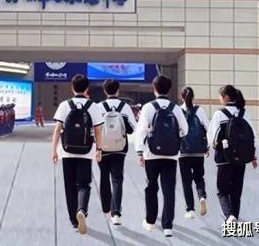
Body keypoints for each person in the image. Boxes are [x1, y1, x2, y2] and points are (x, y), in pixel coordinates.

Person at [51, 74, 105, 235]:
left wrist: (54, 151)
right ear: (87, 88)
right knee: (84, 184)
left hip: (67, 151)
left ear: (72, 88)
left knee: (69, 186)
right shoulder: (93, 106)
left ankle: (74, 221)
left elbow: (57, 129)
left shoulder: (64, 105)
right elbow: (98, 131)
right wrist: (99, 149)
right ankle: (82, 210)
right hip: (86, 152)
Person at [135, 75, 188, 237]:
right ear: (169, 89)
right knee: (169, 190)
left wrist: (139, 151)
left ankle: (150, 221)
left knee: (151, 187)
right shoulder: (176, 108)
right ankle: (167, 226)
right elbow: (185, 130)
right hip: (171, 155)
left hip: (151, 154)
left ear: (154, 89)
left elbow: (141, 131)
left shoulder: (148, 107)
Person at [208, 85, 259, 224]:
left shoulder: (219, 114)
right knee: (236, 192)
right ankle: (234, 217)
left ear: (226, 97)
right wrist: (253, 157)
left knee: (222, 191)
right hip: (241, 158)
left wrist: (214, 147)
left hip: (224, 158)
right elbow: (253, 136)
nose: (219, 98)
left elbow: (213, 137)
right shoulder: (244, 113)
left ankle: (229, 216)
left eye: (220, 96)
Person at [98, 79, 137, 226]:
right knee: (117, 179)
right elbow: (133, 128)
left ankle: (106, 209)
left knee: (104, 177)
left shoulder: (99, 106)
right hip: (120, 148)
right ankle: (116, 213)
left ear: (104, 91)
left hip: (103, 148)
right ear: (118, 91)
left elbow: (93, 129)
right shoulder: (124, 107)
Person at [178, 86, 211, 219]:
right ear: (193, 97)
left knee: (186, 182)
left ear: (182, 97)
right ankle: (202, 197)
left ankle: (190, 209)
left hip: (183, 152)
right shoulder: (199, 110)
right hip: (198, 151)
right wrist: (207, 146)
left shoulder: (178, 111)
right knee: (199, 178)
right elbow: (208, 128)